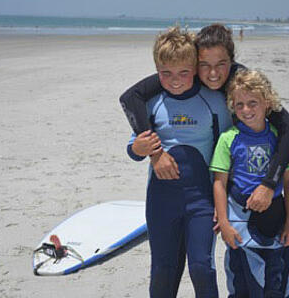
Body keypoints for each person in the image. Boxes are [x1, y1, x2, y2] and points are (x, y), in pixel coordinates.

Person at [120, 23, 289, 214]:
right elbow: (130, 97)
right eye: (204, 65)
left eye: (221, 64)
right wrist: (155, 152)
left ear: (231, 62)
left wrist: (268, 183)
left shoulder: (241, 81)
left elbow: (286, 126)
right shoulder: (185, 77)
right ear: (193, 65)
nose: (213, 74)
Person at [127, 26, 232, 297]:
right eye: (166, 74)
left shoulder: (213, 102)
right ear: (157, 71)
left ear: (194, 68)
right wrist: (143, 150)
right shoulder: (152, 104)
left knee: (201, 266)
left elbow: (227, 152)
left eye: (184, 73)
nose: (175, 80)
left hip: (202, 202)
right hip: (161, 202)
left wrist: (224, 203)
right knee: (163, 269)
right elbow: (134, 146)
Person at [210, 69, 289, 298]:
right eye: (239, 104)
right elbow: (219, 183)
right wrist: (224, 223)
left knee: (276, 283)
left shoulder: (279, 136)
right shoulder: (228, 138)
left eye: (252, 103)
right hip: (240, 225)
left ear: (267, 102)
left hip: (275, 223)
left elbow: (286, 178)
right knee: (242, 284)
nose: (246, 110)